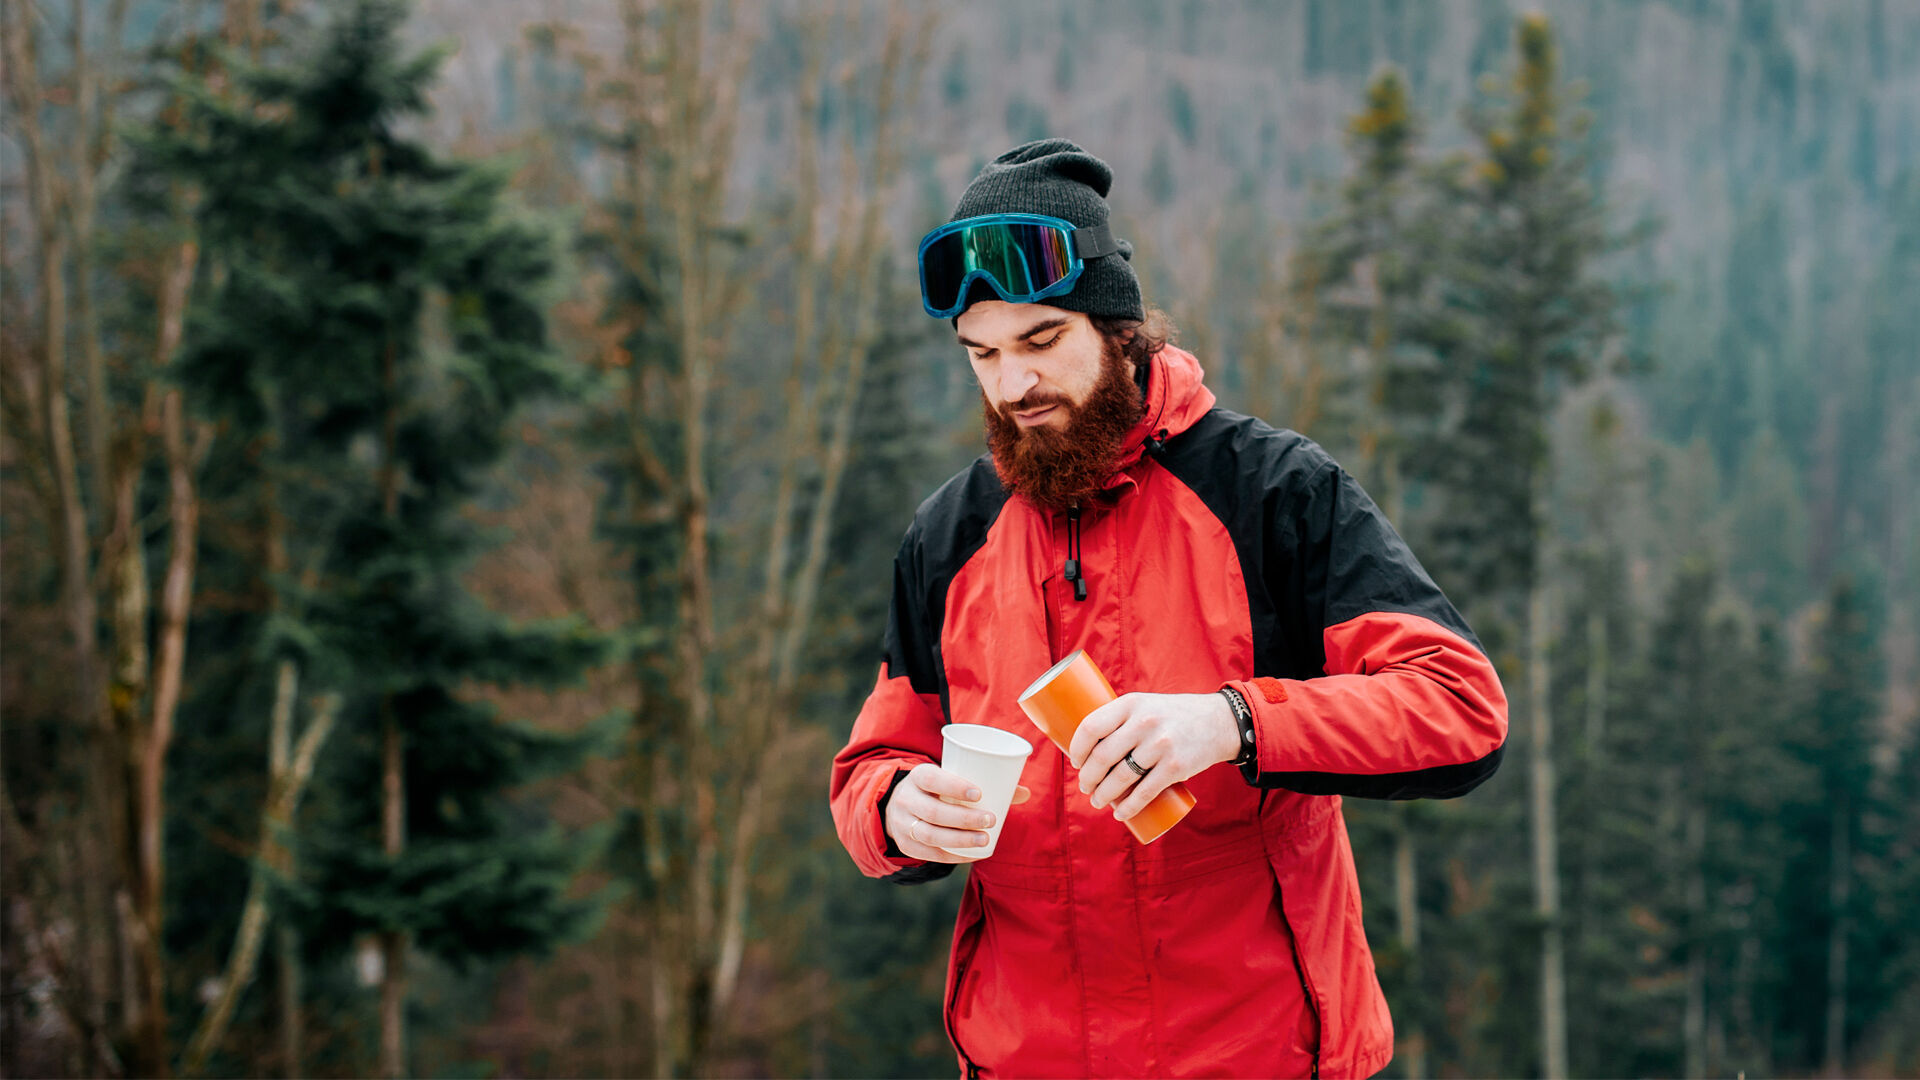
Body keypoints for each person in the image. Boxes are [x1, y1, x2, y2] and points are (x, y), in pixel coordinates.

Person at [828, 138, 1509, 1080]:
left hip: (1254, 1055)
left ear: (1119, 330)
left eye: (1041, 341)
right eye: (980, 354)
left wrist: (1232, 723)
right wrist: (897, 812)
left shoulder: (1268, 492)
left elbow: (1458, 711)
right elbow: (875, 759)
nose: (1011, 385)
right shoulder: (949, 537)